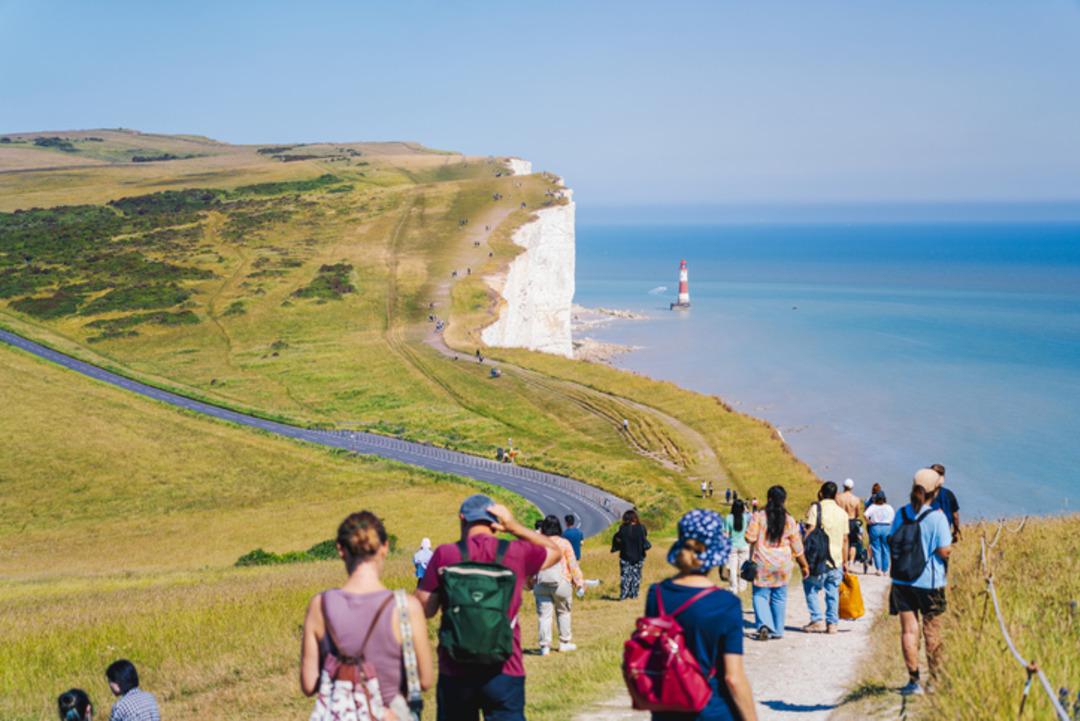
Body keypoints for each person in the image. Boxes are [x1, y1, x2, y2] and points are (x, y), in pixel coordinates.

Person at [416, 494, 560, 721]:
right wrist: (514, 527)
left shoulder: (446, 554)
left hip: (455, 667)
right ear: (495, 522)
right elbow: (554, 551)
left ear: (462, 518)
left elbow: (424, 608)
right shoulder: (515, 552)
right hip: (505, 667)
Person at [301, 511, 435, 719]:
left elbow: (309, 683)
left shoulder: (320, 605)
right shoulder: (406, 606)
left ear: (340, 550)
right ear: (385, 547)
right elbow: (425, 680)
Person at [645, 509, 759, 720]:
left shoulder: (657, 595)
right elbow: (733, 678)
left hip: (668, 708)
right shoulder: (726, 604)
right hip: (712, 709)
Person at [890, 469, 952, 696]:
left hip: (902, 580)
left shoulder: (901, 514)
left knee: (908, 631)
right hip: (930, 582)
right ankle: (934, 681)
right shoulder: (937, 518)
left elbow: (892, 539)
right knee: (932, 632)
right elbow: (945, 551)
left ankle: (913, 681)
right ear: (935, 492)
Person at [745, 486, 809, 640]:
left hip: (762, 563)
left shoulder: (759, 516)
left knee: (760, 595)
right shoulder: (789, 519)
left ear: (769, 499)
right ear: (783, 500)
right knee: (779, 597)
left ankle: (764, 625)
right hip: (783, 565)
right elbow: (797, 546)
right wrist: (804, 565)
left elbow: (750, 538)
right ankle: (778, 630)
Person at [530, 515, 584, 655]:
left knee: (544, 616)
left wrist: (529, 582)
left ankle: (544, 647)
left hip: (541, 583)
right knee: (563, 612)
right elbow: (572, 565)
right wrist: (579, 582)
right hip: (561, 583)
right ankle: (564, 642)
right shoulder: (564, 543)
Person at [801, 481, 850, 633]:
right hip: (836, 559)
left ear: (821, 493)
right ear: (836, 495)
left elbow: (810, 531)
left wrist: (803, 551)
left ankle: (816, 619)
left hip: (818, 558)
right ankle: (832, 624)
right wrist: (845, 561)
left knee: (810, 587)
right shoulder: (842, 513)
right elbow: (845, 539)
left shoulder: (816, 508)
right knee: (832, 591)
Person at [611, 509, 650, 600]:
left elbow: (618, 539)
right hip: (639, 555)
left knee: (625, 576)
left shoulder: (622, 529)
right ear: (635, 518)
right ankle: (634, 594)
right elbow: (645, 537)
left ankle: (624, 595)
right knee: (636, 576)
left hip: (625, 555)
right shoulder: (642, 528)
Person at [724, 499, 752, 593]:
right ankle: (742, 586)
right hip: (744, 545)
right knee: (742, 567)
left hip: (732, 546)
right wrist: (746, 510)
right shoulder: (746, 517)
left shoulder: (728, 517)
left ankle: (734, 587)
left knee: (732, 568)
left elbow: (726, 535)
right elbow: (750, 515)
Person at [928, 463, 962, 542]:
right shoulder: (949, 494)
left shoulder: (924, 494)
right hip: (944, 534)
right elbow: (955, 516)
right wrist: (955, 532)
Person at [865, 492, 895, 576]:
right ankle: (885, 570)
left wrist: (869, 522)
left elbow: (865, 515)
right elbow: (892, 518)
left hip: (875, 527)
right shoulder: (889, 507)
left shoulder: (873, 507)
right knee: (886, 548)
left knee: (876, 548)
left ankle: (878, 569)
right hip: (886, 527)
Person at [836, 479, 865, 568]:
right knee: (853, 543)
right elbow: (857, 513)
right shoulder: (856, 499)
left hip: (841, 520)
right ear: (852, 487)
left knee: (841, 541)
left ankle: (842, 560)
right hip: (852, 521)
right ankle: (851, 562)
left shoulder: (838, 497)